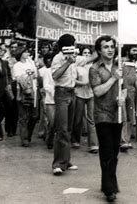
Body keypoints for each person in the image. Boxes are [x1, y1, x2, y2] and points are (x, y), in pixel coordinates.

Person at [89, 35, 123, 203]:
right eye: (106, 47)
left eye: (112, 46)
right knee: (107, 151)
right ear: (99, 50)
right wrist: (113, 78)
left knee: (115, 152)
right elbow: (97, 91)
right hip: (102, 114)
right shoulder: (94, 69)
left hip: (117, 114)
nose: (110, 49)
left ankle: (108, 182)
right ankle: (109, 189)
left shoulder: (119, 66)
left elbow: (124, 87)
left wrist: (123, 97)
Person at [51, 34, 78, 176]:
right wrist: (68, 63)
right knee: (61, 129)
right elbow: (55, 75)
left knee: (68, 128)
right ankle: (57, 163)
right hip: (61, 93)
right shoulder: (58, 58)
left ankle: (66, 161)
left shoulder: (74, 57)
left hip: (72, 92)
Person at [72, 46, 99, 153]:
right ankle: (75, 140)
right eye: (84, 53)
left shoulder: (93, 66)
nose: (87, 55)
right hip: (79, 94)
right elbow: (73, 80)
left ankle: (93, 144)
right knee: (78, 118)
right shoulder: (77, 66)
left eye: (88, 53)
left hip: (91, 94)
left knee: (91, 118)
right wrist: (83, 83)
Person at [12, 47, 39, 147]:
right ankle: (24, 138)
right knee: (23, 116)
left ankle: (28, 134)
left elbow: (36, 75)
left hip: (34, 91)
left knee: (34, 115)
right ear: (20, 54)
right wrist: (29, 76)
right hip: (23, 92)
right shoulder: (17, 66)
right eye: (25, 51)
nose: (28, 53)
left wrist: (35, 69)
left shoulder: (31, 63)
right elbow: (19, 78)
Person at [120, 45, 137, 151]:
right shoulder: (120, 61)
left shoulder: (135, 63)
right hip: (121, 92)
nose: (136, 52)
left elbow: (135, 78)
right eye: (134, 50)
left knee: (130, 117)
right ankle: (123, 141)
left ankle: (127, 140)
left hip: (131, 92)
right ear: (127, 51)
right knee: (123, 117)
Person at [38, 53, 55, 149]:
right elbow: (46, 86)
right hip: (50, 100)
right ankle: (50, 139)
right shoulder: (48, 72)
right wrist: (54, 90)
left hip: (61, 100)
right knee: (51, 121)